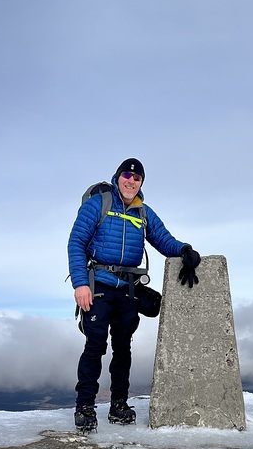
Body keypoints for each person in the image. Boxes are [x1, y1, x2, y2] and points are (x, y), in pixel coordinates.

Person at [67, 158, 201, 432]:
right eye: (127, 176)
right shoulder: (98, 204)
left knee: (123, 347)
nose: (131, 181)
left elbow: (163, 239)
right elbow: (76, 242)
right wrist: (80, 284)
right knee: (95, 346)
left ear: (141, 183)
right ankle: (85, 408)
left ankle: (118, 405)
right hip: (99, 285)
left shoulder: (143, 212)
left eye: (137, 178)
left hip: (128, 288)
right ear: (118, 178)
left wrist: (185, 249)